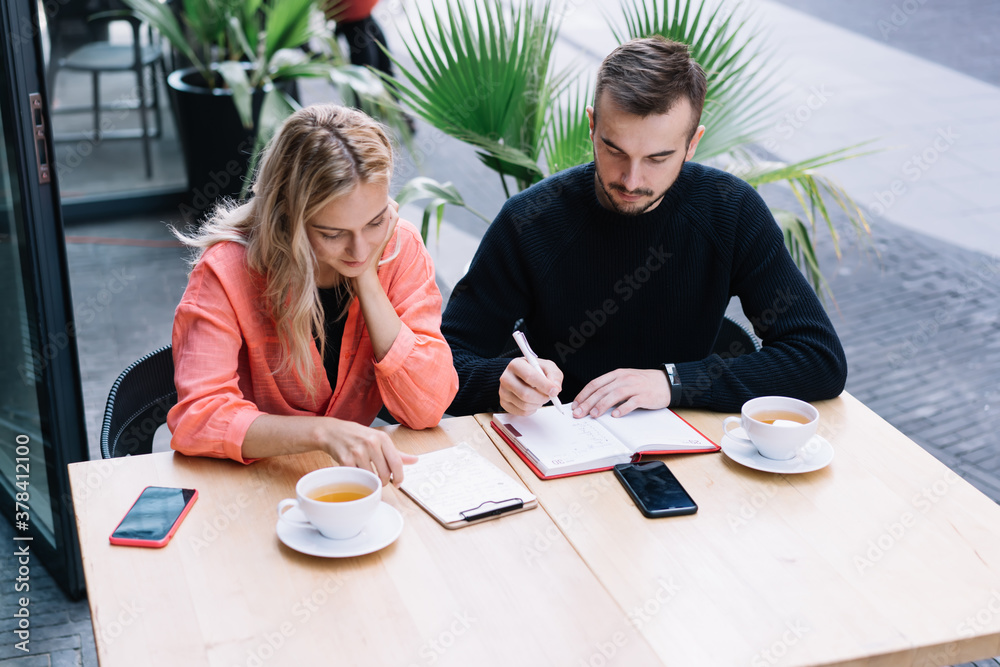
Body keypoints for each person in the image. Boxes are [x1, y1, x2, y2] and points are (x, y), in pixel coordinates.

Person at [441, 36, 847, 419]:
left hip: (687, 445)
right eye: (614, 149)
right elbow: (445, 363)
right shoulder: (529, 220)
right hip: (560, 445)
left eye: (658, 158)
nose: (632, 180)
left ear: (692, 144)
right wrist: (501, 382)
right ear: (592, 127)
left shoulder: (730, 210)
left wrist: (674, 382)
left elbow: (818, 357)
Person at [168, 104, 457, 486]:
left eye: (373, 223)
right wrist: (323, 432)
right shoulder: (226, 270)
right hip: (256, 485)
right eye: (332, 234)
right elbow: (200, 417)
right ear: (284, 217)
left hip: (350, 488)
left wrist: (368, 281)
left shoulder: (396, 247)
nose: (359, 250)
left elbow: (428, 407)